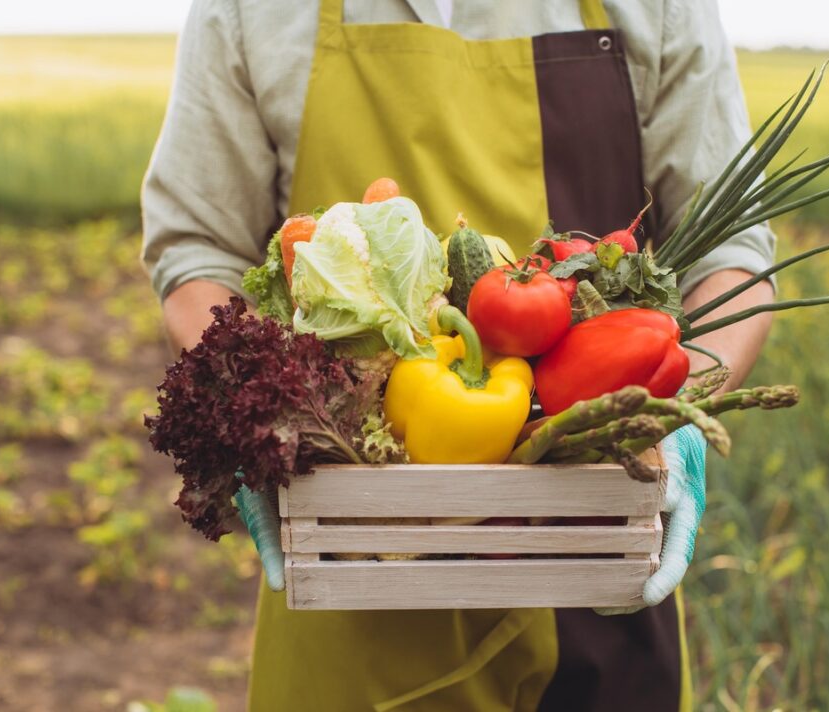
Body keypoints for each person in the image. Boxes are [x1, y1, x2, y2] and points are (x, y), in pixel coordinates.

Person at [142, 1, 775, 709]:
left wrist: (677, 414)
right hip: (350, 591)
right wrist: (250, 419)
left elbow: (733, 254)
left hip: (600, 577)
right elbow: (198, 250)